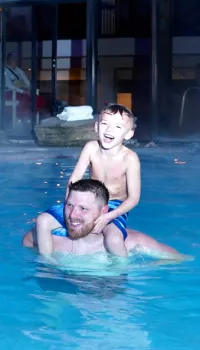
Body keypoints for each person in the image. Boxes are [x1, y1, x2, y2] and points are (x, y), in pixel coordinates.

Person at [33, 103, 140, 257]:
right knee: (42, 220)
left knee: (114, 240)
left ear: (128, 134)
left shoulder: (130, 158)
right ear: (96, 127)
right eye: (105, 124)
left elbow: (134, 198)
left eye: (118, 127)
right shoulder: (91, 148)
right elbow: (74, 179)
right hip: (88, 201)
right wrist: (68, 206)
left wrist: (109, 216)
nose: (109, 130)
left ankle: (120, 276)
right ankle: (47, 264)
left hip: (114, 206)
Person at [21, 179, 183, 259]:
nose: (72, 215)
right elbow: (26, 245)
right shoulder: (50, 240)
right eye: (69, 205)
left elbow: (178, 260)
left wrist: (140, 272)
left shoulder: (132, 243)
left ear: (103, 211)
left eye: (83, 209)